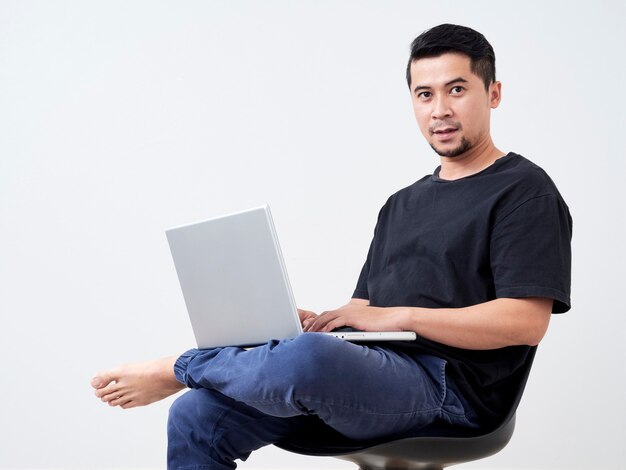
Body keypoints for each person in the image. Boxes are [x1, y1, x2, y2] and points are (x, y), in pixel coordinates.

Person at [91, 23, 572, 470]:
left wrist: (397, 319)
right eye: (424, 94)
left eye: (457, 90)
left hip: (451, 390)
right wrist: (322, 320)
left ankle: (178, 367)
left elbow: (525, 322)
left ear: (494, 94)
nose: (439, 109)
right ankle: (223, 366)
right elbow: (368, 306)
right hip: (376, 375)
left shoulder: (524, 191)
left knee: (308, 359)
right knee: (197, 414)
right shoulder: (401, 203)